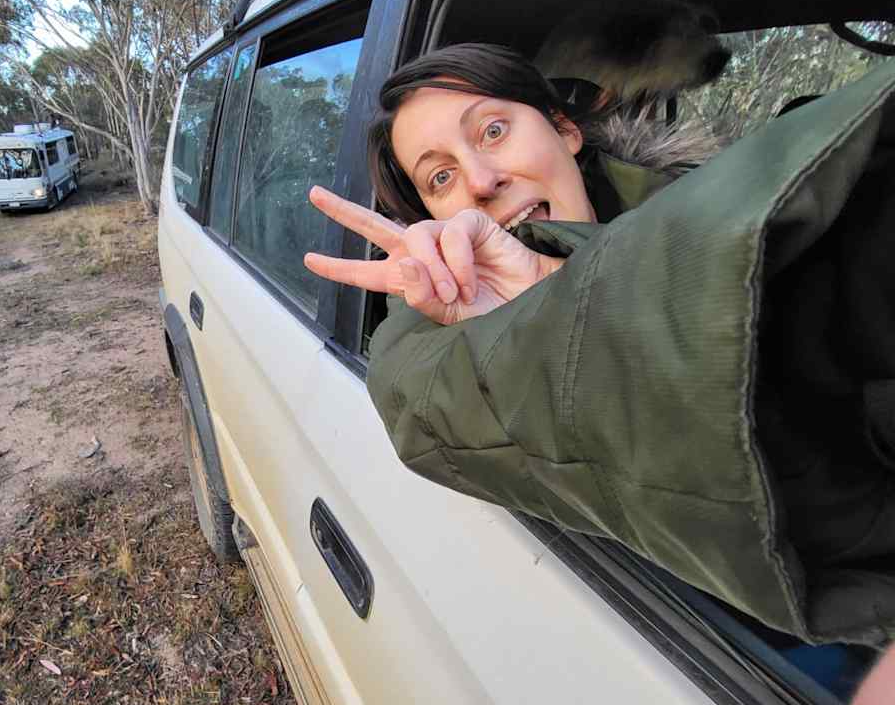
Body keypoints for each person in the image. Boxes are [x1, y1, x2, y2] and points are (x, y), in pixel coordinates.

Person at [303, 43, 895, 646]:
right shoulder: (440, 308)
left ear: (564, 129)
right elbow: (413, 396)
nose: (480, 182)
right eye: (441, 176)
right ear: (429, 213)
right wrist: (541, 304)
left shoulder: (744, 209)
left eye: (494, 129)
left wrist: (564, 290)